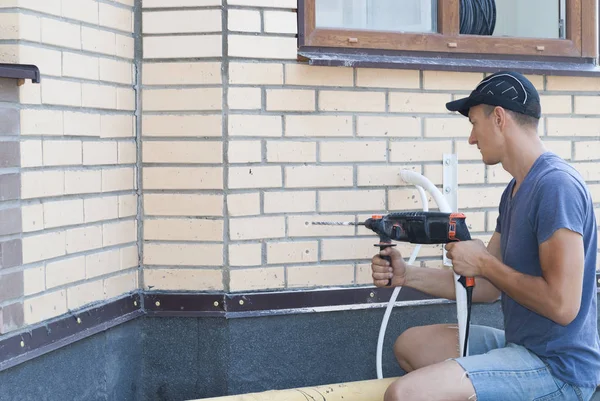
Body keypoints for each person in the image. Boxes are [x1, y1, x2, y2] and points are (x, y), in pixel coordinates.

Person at [371, 71, 600, 401]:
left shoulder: (556, 186)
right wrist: (406, 275)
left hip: (559, 369)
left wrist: (484, 263)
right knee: (411, 345)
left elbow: (563, 306)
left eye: (474, 124)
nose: (472, 139)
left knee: (405, 394)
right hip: (520, 346)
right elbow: (489, 287)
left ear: (499, 118)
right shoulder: (514, 191)